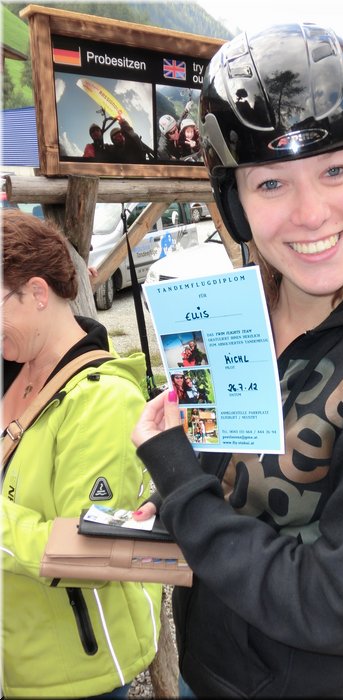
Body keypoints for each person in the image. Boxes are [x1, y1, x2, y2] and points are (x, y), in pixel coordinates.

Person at [131, 23, 343, 699]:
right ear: (235, 206)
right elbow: (223, 476)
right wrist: (173, 492)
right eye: (270, 184)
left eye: (334, 170)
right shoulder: (230, 317)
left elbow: (335, 607)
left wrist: (178, 481)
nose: (311, 214)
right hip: (204, 670)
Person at [1, 209, 162, 699]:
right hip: (19, 651)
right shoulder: (15, 366)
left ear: (37, 293)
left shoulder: (102, 400)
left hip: (74, 671)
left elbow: (90, 552)